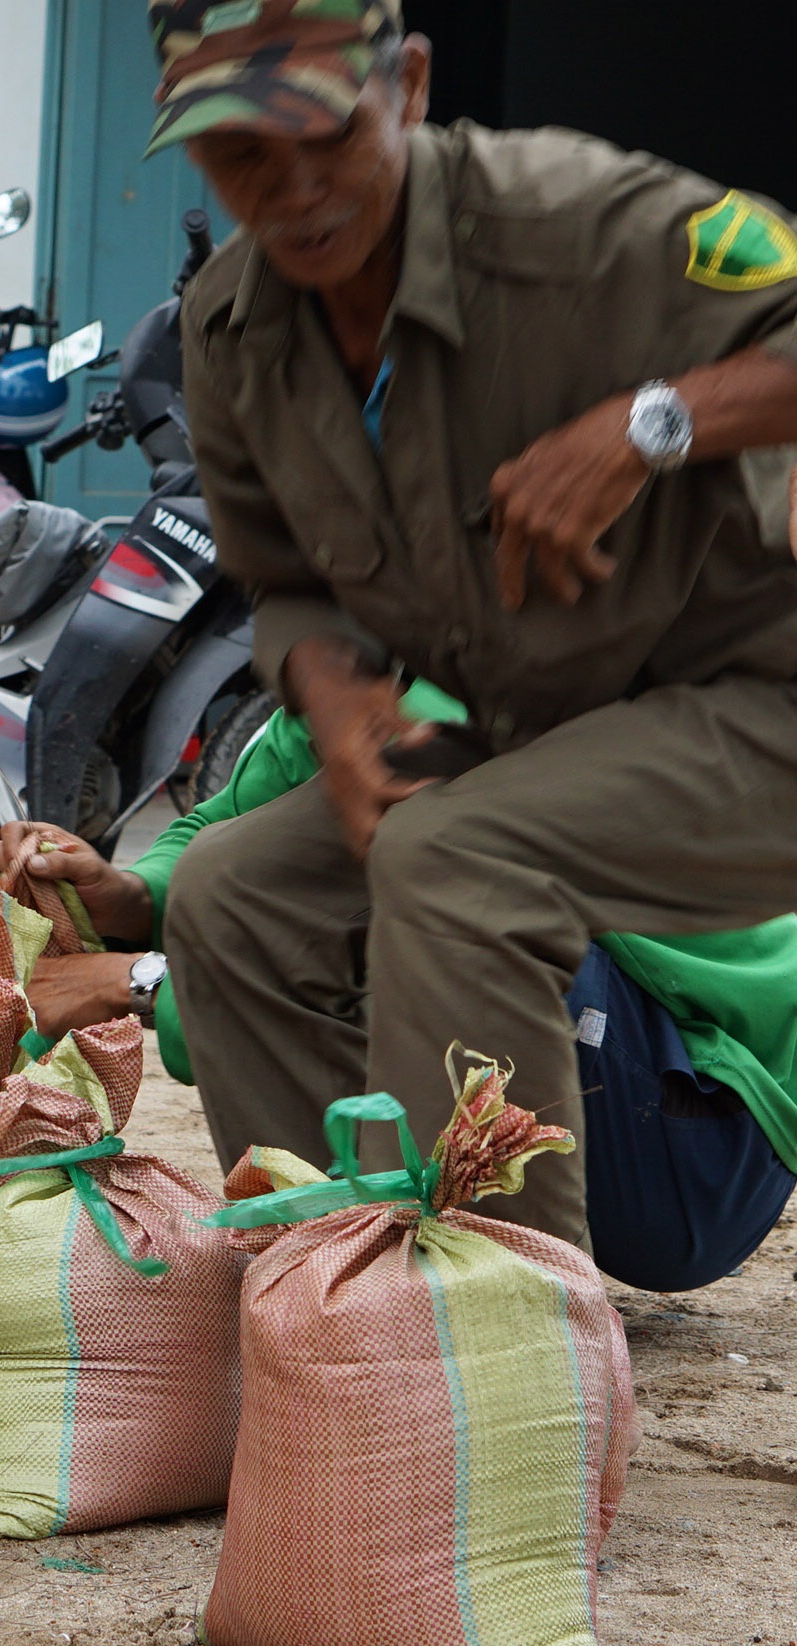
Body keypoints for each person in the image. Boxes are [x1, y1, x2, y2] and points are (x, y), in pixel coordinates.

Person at [136, 0, 797, 1252]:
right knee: (227, 897)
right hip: (541, 734)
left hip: (753, 703)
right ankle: (342, 1314)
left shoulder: (572, 218)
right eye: (239, 161)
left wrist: (646, 425)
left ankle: (497, 1355)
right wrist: (331, 699)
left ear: (412, 85)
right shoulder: (231, 335)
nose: (292, 193)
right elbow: (286, 583)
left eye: (325, 137)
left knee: (452, 859)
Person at [0, 682, 797, 1289]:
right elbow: (232, 833)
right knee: (244, 877)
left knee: (422, 856)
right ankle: (343, 1280)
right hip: (616, 1088)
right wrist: (131, 897)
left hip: (700, 1117)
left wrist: (145, 981)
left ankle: (505, 1313)